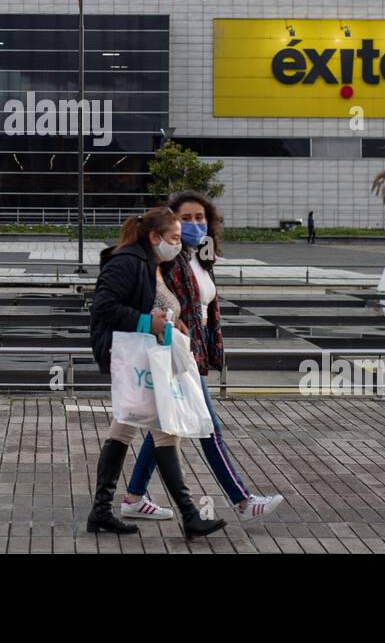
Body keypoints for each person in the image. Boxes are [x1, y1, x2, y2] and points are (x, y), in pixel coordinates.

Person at [121, 190, 284, 526]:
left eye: (201, 217)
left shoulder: (200, 256)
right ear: (172, 221)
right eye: (187, 219)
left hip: (193, 352)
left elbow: (206, 309)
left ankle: (134, 497)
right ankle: (242, 500)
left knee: (167, 427)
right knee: (207, 426)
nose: (195, 224)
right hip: (175, 351)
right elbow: (152, 297)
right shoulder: (169, 257)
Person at [86, 206, 227, 539]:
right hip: (134, 354)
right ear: (154, 236)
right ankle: (190, 515)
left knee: (125, 429)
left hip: (147, 356)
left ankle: (101, 511)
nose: (178, 244)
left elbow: (149, 305)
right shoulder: (128, 261)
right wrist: (149, 322)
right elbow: (103, 306)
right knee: (166, 431)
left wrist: (169, 321)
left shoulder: (152, 263)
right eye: (174, 237)